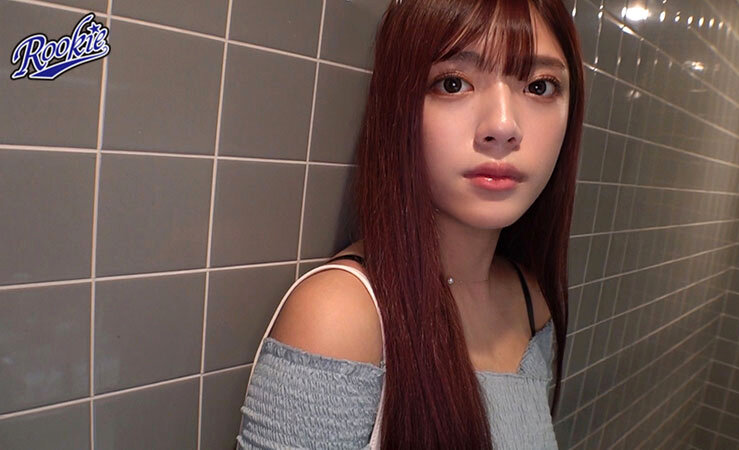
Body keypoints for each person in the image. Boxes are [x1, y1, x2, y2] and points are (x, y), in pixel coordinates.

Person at [237, 0, 585, 448]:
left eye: (539, 87)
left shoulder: (530, 302)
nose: (503, 125)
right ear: (398, 106)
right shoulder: (340, 319)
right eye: (453, 83)